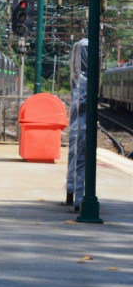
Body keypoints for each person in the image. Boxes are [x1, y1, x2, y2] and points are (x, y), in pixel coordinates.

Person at [66, 39, 88, 210]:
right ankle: (78, 198)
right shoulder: (84, 82)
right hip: (82, 127)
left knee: (77, 162)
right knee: (80, 163)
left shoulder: (79, 82)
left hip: (77, 128)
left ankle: (74, 194)